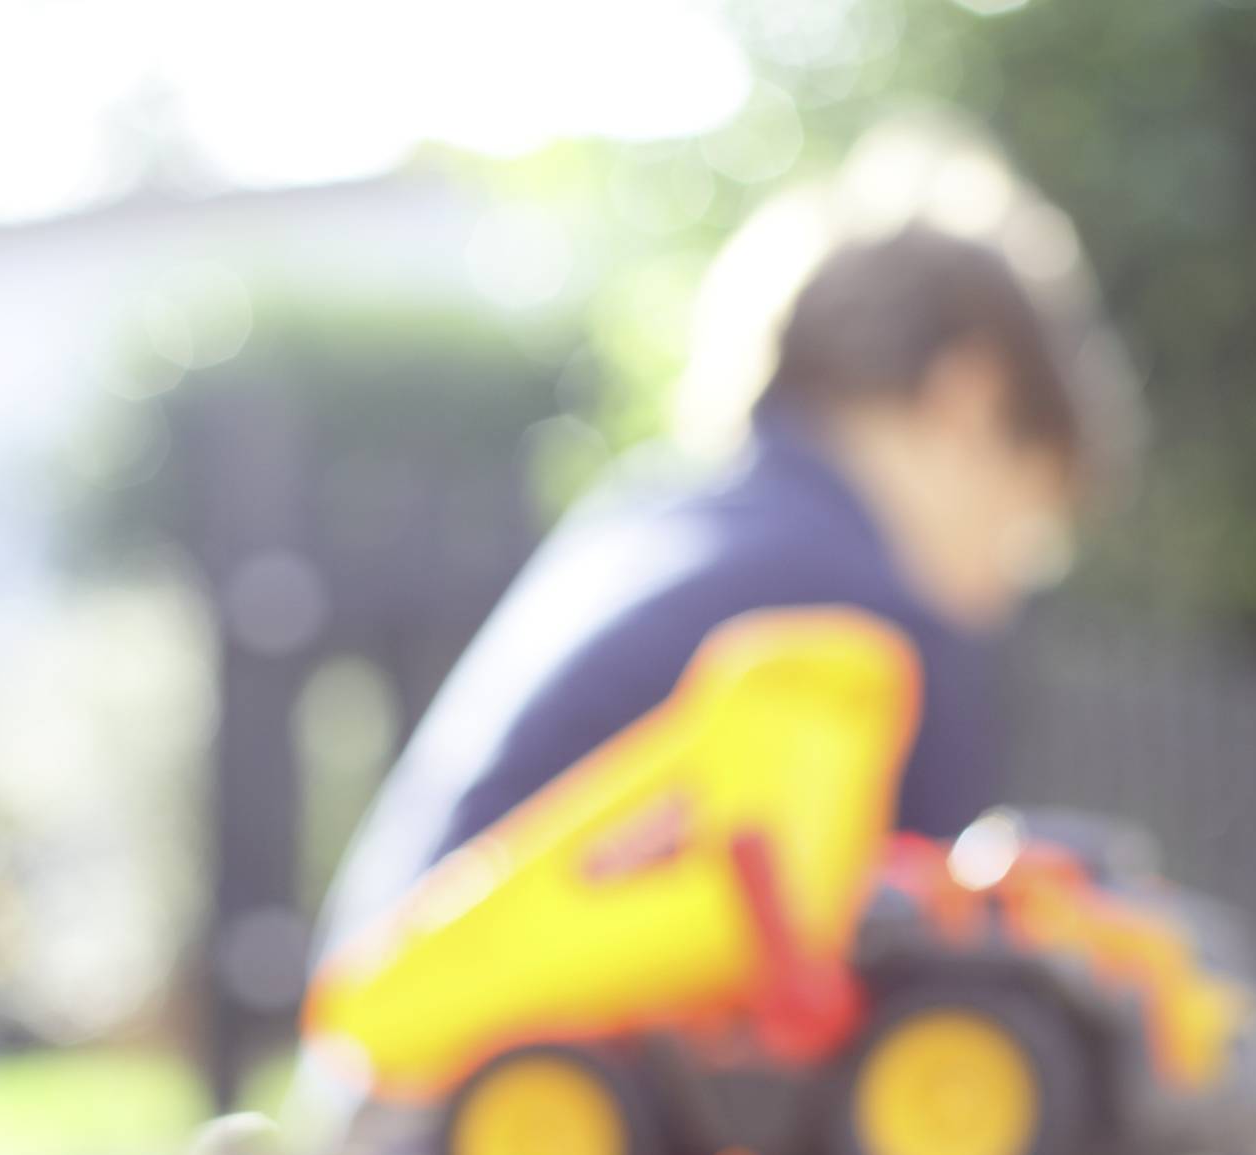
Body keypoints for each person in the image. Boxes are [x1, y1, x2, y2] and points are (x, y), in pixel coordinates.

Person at [307, 135, 1139, 966]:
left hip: (385, 1045)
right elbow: (924, 971)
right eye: (1033, 533)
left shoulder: (662, 512)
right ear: (970, 397)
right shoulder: (856, 622)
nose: (1006, 595)